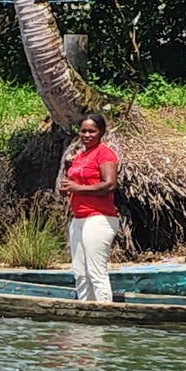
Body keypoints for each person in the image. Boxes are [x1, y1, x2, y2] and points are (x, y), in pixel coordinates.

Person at [56, 110, 120, 303]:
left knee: (96, 272)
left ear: (100, 132)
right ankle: (84, 313)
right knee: (80, 272)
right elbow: (74, 184)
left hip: (99, 218)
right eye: (83, 131)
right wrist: (67, 189)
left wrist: (78, 188)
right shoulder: (79, 157)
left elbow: (110, 184)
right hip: (79, 218)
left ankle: (104, 312)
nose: (87, 135)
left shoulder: (104, 153)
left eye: (92, 131)